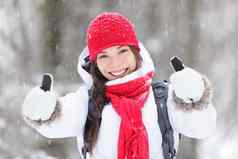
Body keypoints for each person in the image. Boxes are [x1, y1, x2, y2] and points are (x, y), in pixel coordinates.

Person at [22, 12, 216, 159]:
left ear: (135, 52)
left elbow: (202, 128)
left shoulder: (164, 98)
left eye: (122, 51)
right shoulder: (86, 103)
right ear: (94, 63)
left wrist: (195, 98)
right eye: (104, 56)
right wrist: (44, 111)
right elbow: (57, 124)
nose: (115, 64)